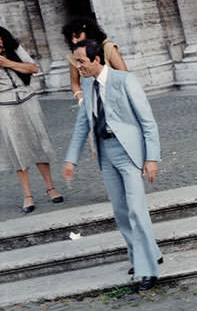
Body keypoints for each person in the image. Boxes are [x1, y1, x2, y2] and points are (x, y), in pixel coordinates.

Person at [62, 39, 162, 293]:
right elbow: (82, 125)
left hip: (129, 153)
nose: (78, 67)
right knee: (120, 211)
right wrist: (71, 159)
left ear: (97, 60)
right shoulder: (86, 84)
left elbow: (148, 122)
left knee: (137, 210)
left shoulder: (125, 80)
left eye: (82, 61)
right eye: (76, 62)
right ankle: (143, 255)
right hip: (105, 153)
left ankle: (148, 269)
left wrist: (152, 159)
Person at [0, 27, 65, 213]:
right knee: (16, 148)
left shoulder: (15, 50)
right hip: (4, 105)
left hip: (28, 100)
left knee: (39, 143)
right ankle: (27, 195)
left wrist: (9, 63)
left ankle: (50, 187)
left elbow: (33, 68)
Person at [61, 17, 127, 106]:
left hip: (118, 97)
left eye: (77, 36)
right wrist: (80, 98)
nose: (74, 41)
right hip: (93, 101)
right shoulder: (73, 56)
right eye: (71, 37)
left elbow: (124, 75)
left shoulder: (107, 47)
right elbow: (74, 83)